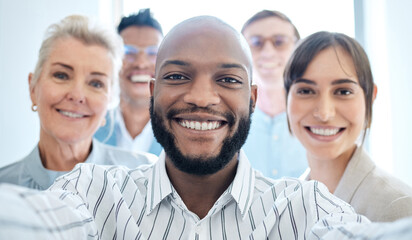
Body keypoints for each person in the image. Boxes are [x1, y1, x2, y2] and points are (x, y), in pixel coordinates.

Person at [0, 16, 370, 239]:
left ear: (253, 98)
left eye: (227, 79)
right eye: (177, 76)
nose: (202, 97)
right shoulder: (93, 191)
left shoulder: (305, 207)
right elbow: (39, 221)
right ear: (152, 91)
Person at [0, 15, 155, 190]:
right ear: (33, 89)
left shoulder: (145, 179)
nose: (77, 95)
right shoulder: (4, 188)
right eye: (61, 75)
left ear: (109, 101)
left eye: (96, 83)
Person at [284, 31, 412, 222]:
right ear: (286, 97)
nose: (324, 113)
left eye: (343, 91)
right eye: (306, 90)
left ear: (370, 97)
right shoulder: (285, 202)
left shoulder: (399, 208)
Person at [241, 10, 307, 178]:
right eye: (256, 43)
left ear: (297, 49)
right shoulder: (228, 122)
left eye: (279, 42)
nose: (268, 52)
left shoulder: (317, 120)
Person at [94, 8, 163, 155]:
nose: (141, 63)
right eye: (128, 52)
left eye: (152, 53)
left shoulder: (180, 133)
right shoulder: (90, 127)